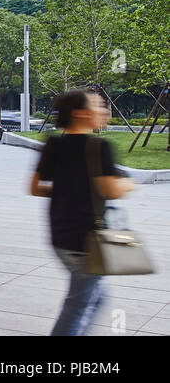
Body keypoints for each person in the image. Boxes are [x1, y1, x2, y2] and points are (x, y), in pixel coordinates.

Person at [30, 90, 134, 336]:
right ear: (80, 113)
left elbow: (35, 188)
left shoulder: (53, 144)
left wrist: (68, 191)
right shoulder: (99, 146)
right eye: (98, 106)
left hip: (60, 237)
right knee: (78, 305)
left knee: (95, 297)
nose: (105, 111)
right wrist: (128, 184)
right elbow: (111, 190)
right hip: (87, 240)